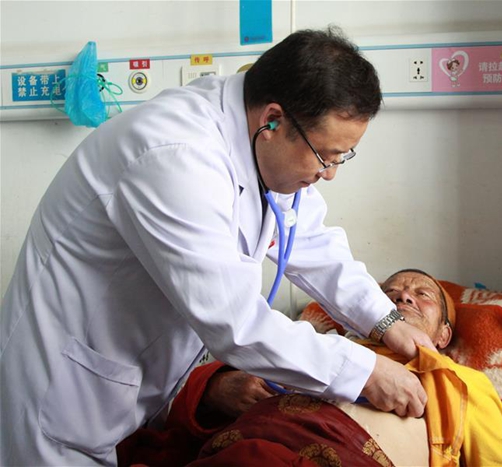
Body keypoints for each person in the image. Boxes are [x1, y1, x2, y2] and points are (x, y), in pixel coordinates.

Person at [0, 28, 435, 466]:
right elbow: (235, 322)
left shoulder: (263, 147)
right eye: (325, 156)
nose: (330, 173)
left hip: (127, 387)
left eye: (341, 157)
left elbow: (311, 240)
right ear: (273, 120)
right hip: (62, 396)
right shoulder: (174, 156)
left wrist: (386, 321)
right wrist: (364, 371)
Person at [118, 270, 502, 467]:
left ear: (444, 334)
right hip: (241, 450)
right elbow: (180, 399)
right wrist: (220, 387)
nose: (403, 297)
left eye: (423, 294)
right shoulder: (311, 344)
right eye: (389, 292)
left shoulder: (462, 382)